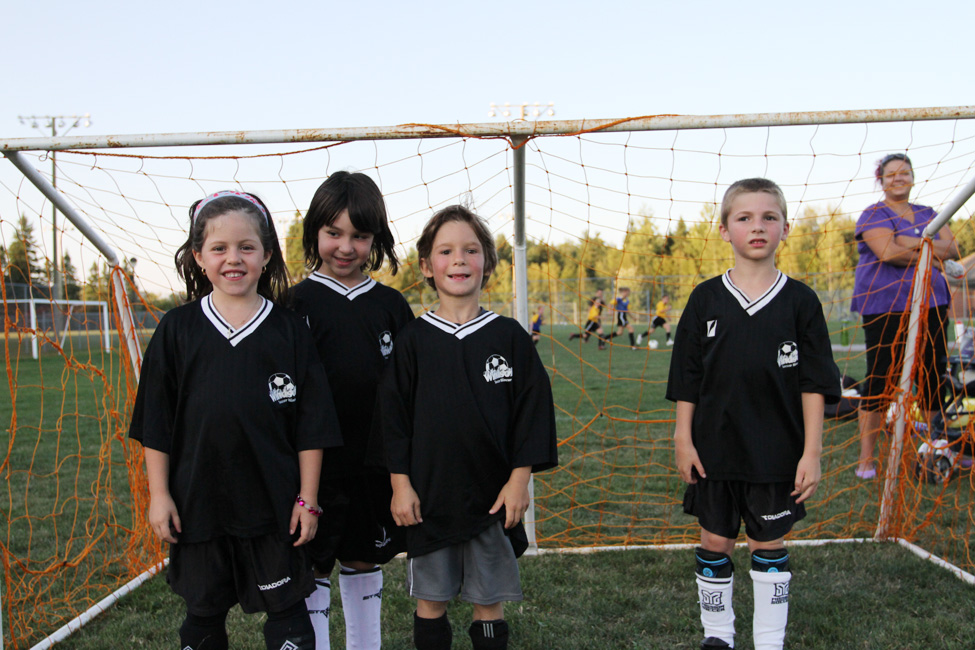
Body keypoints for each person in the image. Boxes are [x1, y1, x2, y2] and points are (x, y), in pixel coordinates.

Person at [129, 190, 343, 650]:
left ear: (266, 254)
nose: (234, 259)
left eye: (247, 247)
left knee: (289, 617)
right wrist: (160, 495)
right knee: (202, 618)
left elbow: (312, 426)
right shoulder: (177, 329)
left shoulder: (288, 330)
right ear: (198, 257)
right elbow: (156, 423)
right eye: (219, 248)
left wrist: (307, 500)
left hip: (274, 507)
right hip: (197, 506)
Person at [666, 178, 840, 650]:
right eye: (744, 218)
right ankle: (717, 637)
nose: (757, 227)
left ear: (786, 227)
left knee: (769, 545)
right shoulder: (705, 298)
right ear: (724, 230)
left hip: (777, 453)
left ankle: (769, 640)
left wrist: (812, 452)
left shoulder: (801, 301)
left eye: (769, 217)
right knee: (715, 543)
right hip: (714, 451)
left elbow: (813, 384)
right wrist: (683, 437)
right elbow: (687, 376)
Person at [378, 205, 559, 650]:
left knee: (489, 601)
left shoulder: (510, 337)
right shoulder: (413, 341)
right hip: (428, 499)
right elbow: (392, 420)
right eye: (446, 251)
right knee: (431, 600)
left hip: (493, 501)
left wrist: (519, 483)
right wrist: (400, 486)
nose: (459, 259)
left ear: (488, 265)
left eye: (471, 250)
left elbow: (533, 415)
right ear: (426, 266)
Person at [291, 171, 414, 650]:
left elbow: (407, 392)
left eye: (359, 236)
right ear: (314, 233)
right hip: (312, 469)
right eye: (333, 233)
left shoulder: (390, 305)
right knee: (313, 561)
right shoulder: (293, 303)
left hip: (372, 464)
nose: (346, 247)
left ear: (375, 239)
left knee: (364, 559)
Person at [851, 153, 961, 479]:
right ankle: (866, 461)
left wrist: (907, 241)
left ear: (913, 176)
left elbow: (952, 249)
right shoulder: (873, 213)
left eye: (904, 173)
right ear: (881, 180)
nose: (898, 178)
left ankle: (929, 453)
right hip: (885, 305)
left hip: (932, 302)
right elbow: (888, 253)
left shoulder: (929, 213)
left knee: (931, 376)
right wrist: (927, 246)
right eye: (891, 174)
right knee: (880, 379)